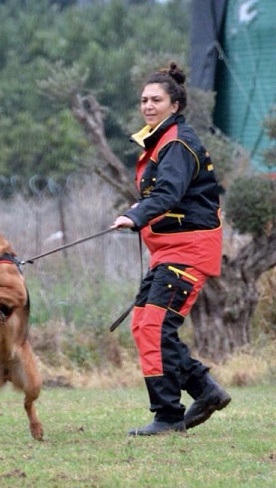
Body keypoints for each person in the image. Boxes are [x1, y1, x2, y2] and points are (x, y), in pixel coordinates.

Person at [111, 62, 231, 436]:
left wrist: (136, 215)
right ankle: (203, 391)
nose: (148, 105)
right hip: (168, 249)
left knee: (156, 326)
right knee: (144, 325)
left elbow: (169, 193)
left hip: (188, 250)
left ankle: (168, 416)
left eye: (156, 100)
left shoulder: (177, 142)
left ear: (174, 105)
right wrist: (142, 220)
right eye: (144, 100)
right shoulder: (161, 140)